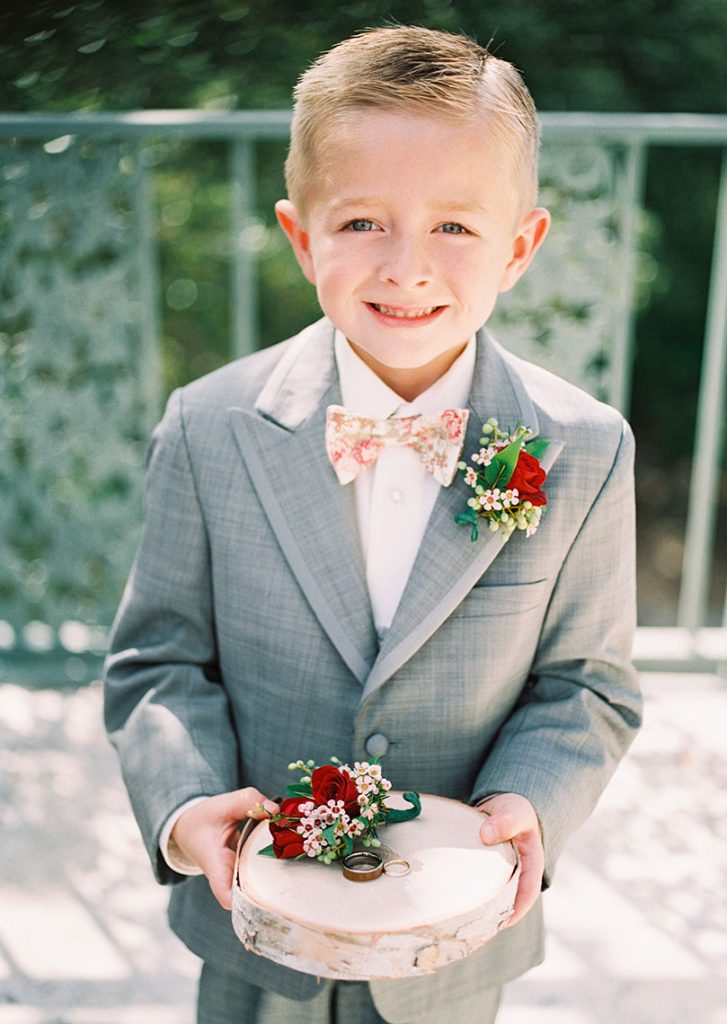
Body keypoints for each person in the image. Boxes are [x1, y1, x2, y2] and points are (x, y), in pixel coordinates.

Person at [103, 24, 641, 1024]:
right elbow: (158, 661)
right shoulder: (207, 428)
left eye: (455, 227)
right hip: (255, 921)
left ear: (519, 247)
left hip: (452, 939)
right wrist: (186, 807)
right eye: (360, 222)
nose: (406, 267)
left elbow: (586, 684)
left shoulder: (585, 448)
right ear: (300, 235)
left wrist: (528, 803)